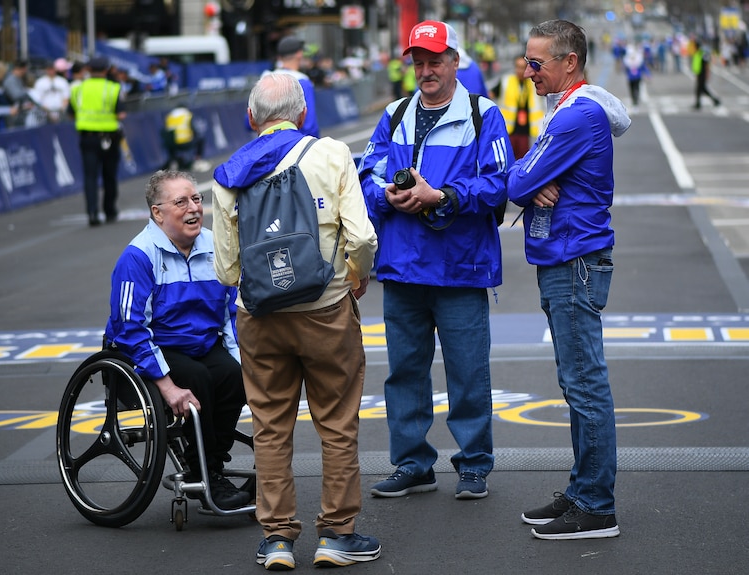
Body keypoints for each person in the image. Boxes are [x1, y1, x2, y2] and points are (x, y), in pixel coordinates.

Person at [212, 72, 379, 570]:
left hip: (260, 318)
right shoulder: (331, 154)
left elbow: (225, 269)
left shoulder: (228, 174)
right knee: (337, 424)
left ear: (250, 118)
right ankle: (336, 534)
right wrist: (354, 276)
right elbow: (364, 238)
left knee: (269, 428)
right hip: (326, 310)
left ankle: (279, 538)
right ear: (303, 114)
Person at [358, 20, 510, 501]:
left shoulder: (484, 115)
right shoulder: (395, 113)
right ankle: (412, 464)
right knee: (404, 372)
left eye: (434, 61)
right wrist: (386, 196)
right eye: (418, 62)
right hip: (402, 267)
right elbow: (364, 176)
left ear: (454, 62)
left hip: (459, 268)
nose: (425, 70)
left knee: (468, 373)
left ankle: (473, 464)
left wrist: (440, 196)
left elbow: (498, 186)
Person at [506, 19, 631, 541]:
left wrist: (531, 181)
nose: (527, 72)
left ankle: (597, 505)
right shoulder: (572, 109)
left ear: (568, 63)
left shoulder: (575, 117)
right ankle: (583, 490)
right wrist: (534, 182)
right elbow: (527, 181)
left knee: (584, 384)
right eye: (527, 62)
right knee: (576, 382)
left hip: (574, 258)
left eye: (536, 63)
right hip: (569, 256)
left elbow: (516, 179)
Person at [104, 169, 250, 511]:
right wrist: (167, 386)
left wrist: (247, 365)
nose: (194, 208)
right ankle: (206, 471)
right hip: (148, 350)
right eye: (180, 202)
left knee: (233, 376)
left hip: (200, 344)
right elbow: (129, 328)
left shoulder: (216, 246)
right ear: (158, 213)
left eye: (197, 199)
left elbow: (232, 314)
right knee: (198, 379)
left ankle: (210, 464)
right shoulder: (138, 256)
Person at [68, 56, 126, 226]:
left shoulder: (78, 89)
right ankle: (109, 210)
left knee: (90, 176)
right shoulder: (113, 88)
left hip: (87, 137)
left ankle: (92, 213)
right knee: (109, 175)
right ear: (106, 70)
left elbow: (71, 112)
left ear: (88, 69)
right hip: (109, 137)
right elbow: (121, 114)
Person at [491, 55, 545, 159]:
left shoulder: (535, 83)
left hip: (529, 133)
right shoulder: (506, 81)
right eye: (518, 67)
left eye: (523, 67)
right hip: (509, 131)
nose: (520, 70)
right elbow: (490, 94)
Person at [267, 36, 320, 138]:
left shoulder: (265, 79)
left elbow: (250, 120)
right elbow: (310, 125)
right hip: (296, 144)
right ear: (299, 54)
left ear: (280, 57)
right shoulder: (302, 82)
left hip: (267, 145)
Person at [692, 42, 721, 109]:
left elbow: (706, 64)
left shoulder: (702, 54)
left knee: (700, 89)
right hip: (699, 74)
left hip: (702, 74)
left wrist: (707, 74)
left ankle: (699, 104)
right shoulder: (697, 53)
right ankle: (714, 101)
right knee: (702, 89)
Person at [622, 45, 650, 110]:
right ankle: (634, 101)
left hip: (637, 78)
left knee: (637, 89)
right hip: (631, 78)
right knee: (632, 90)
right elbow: (625, 70)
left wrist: (648, 75)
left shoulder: (639, 61)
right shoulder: (627, 62)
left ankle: (636, 101)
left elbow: (644, 68)